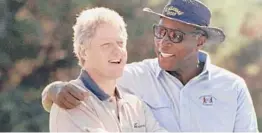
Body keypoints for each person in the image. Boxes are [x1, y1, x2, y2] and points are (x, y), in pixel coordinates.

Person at [42, 0, 258, 132]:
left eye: (175, 35)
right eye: (161, 31)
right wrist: (54, 90)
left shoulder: (233, 88)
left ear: (199, 41)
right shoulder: (133, 76)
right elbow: (90, 79)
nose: (164, 42)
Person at [48, 7, 166, 132]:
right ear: (83, 52)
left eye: (120, 43)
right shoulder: (70, 103)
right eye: (106, 45)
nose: (117, 51)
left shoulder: (136, 105)